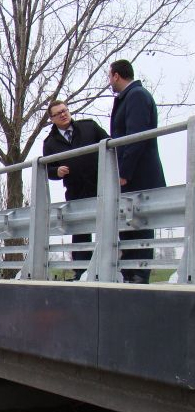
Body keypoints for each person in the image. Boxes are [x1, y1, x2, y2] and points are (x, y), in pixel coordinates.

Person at [109, 59, 166, 284]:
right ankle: (130, 273)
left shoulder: (137, 96)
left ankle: (139, 274)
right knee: (129, 224)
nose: (110, 82)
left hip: (138, 176)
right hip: (132, 177)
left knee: (140, 225)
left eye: (110, 77)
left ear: (116, 76)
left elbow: (136, 137)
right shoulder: (130, 97)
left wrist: (124, 172)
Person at [43, 100, 109, 280]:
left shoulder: (89, 127)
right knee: (80, 232)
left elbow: (110, 144)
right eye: (58, 113)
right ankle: (81, 271)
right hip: (75, 190)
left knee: (109, 224)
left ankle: (115, 268)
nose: (63, 114)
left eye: (65, 110)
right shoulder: (49, 143)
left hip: (100, 185)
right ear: (52, 119)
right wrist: (56, 171)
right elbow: (46, 169)